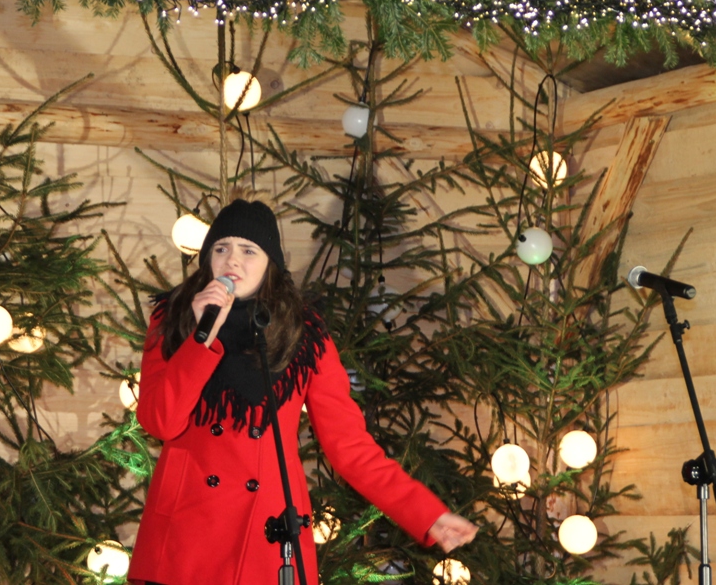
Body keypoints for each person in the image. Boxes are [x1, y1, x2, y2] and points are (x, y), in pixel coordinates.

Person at [127, 199, 478, 585]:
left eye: (248, 250)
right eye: (221, 248)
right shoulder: (173, 317)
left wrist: (426, 514)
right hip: (182, 537)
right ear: (208, 257)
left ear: (270, 263)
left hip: (265, 536)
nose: (233, 260)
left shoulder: (302, 332)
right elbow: (160, 422)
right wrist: (201, 337)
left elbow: (350, 447)